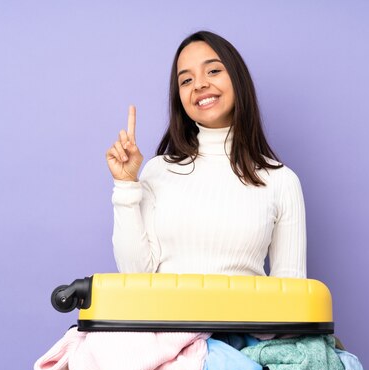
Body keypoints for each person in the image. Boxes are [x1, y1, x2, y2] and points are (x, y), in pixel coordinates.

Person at [105, 31, 306, 279]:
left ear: (237, 79)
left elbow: (291, 295)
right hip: (163, 317)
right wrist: (125, 186)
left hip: (246, 318)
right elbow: (135, 275)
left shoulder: (282, 181)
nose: (199, 84)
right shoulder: (157, 172)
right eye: (186, 80)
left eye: (213, 71)